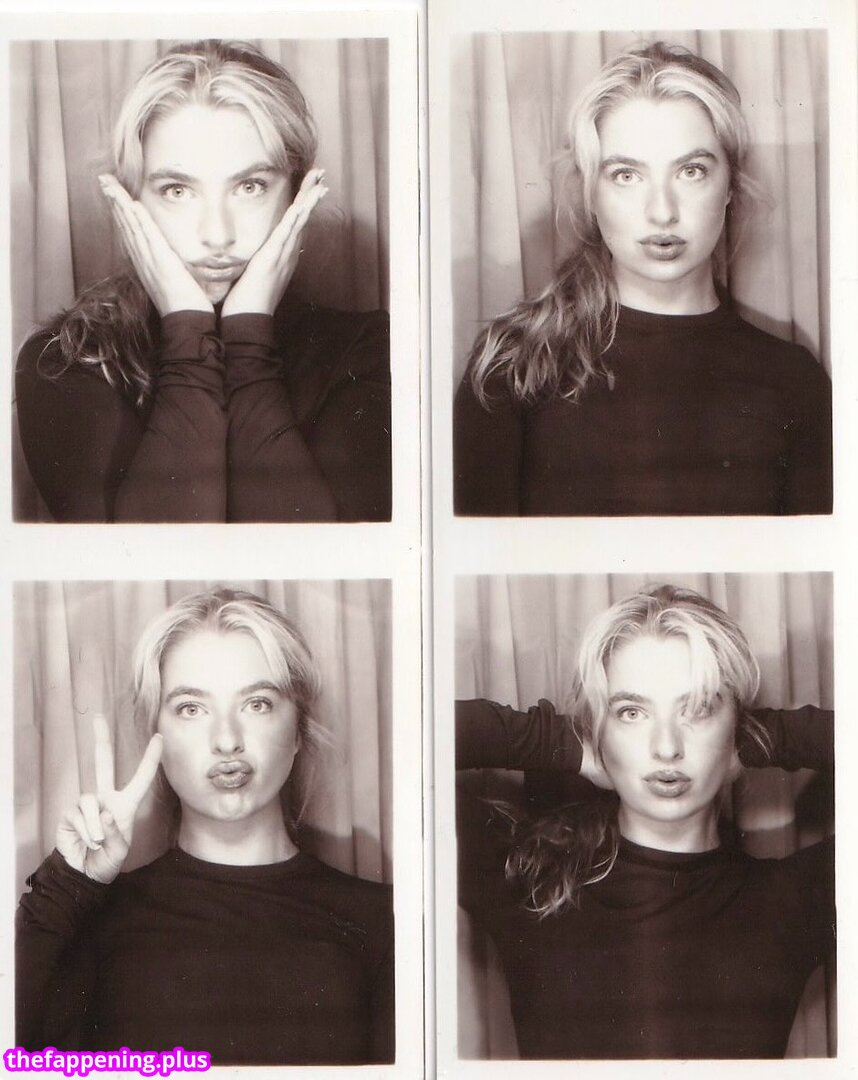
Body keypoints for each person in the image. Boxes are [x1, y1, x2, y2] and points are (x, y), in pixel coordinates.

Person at [15, 40, 391, 523]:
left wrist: (247, 338)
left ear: (298, 194)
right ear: (130, 200)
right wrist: (189, 333)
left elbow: (318, 548)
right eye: (177, 190)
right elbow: (146, 553)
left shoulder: (369, 350)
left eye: (250, 186)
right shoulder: (65, 361)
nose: (217, 235)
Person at [17, 588, 394, 1065]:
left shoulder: (384, 919)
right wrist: (67, 886)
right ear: (155, 732)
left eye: (257, 703)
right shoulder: (91, 921)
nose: (227, 740)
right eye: (191, 709)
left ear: (298, 729)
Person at [454, 42, 832, 516]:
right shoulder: (514, 365)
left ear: (730, 185)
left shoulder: (796, 381)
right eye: (626, 175)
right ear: (591, 194)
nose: (662, 211)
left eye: (691, 171)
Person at [457, 584, 834, 1058]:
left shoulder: (794, 900)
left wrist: (760, 738)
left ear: (734, 724)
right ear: (600, 728)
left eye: (698, 708)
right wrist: (569, 745)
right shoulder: (530, 881)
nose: (667, 747)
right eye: (631, 712)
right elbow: (418, 735)